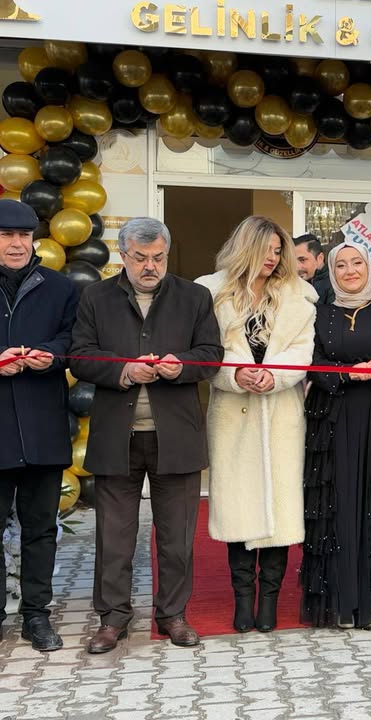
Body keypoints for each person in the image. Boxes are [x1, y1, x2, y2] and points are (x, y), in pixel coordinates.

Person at [70, 217, 223, 653]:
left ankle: (173, 614)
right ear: (123, 256)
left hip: (175, 437)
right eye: (140, 258)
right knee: (114, 537)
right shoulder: (96, 296)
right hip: (116, 437)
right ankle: (112, 618)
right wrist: (123, 370)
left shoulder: (194, 297)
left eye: (158, 257)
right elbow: (80, 356)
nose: (150, 266)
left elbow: (211, 354)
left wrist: (181, 367)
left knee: (176, 537)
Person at [195, 216, 317, 634]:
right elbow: (205, 349)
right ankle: (242, 601)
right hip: (233, 416)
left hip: (282, 414)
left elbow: (302, 350)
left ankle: (269, 602)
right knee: (239, 507)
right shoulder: (211, 292)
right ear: (246, 247)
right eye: (266, 250)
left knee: (282, 510)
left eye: (278, 251)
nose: (273, 258)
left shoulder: (298, 294)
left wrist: (275, 376)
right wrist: (235, 373)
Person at [301, 242, 371, 630]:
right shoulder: (319, 314)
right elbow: (310, 361)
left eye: (357, 263)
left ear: (369, 267)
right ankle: (339, 603)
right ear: (331, 272)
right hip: (332, 418)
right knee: (337, 504)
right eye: (341, 265)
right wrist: (344, 374)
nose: (350, 271)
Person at [0, 200, 78, 652]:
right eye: (7, 235)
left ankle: (36, 616)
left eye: (24, 236)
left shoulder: (60, 287)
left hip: (43, 428)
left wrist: (52, 355)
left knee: (41, 529)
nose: (17, 244)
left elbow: (75, 340)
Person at [294, 233, 335, 304]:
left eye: (302, 260)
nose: (297, 267)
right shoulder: (293, 284)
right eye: (293, 261)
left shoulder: (336, 285)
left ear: (320, 258)